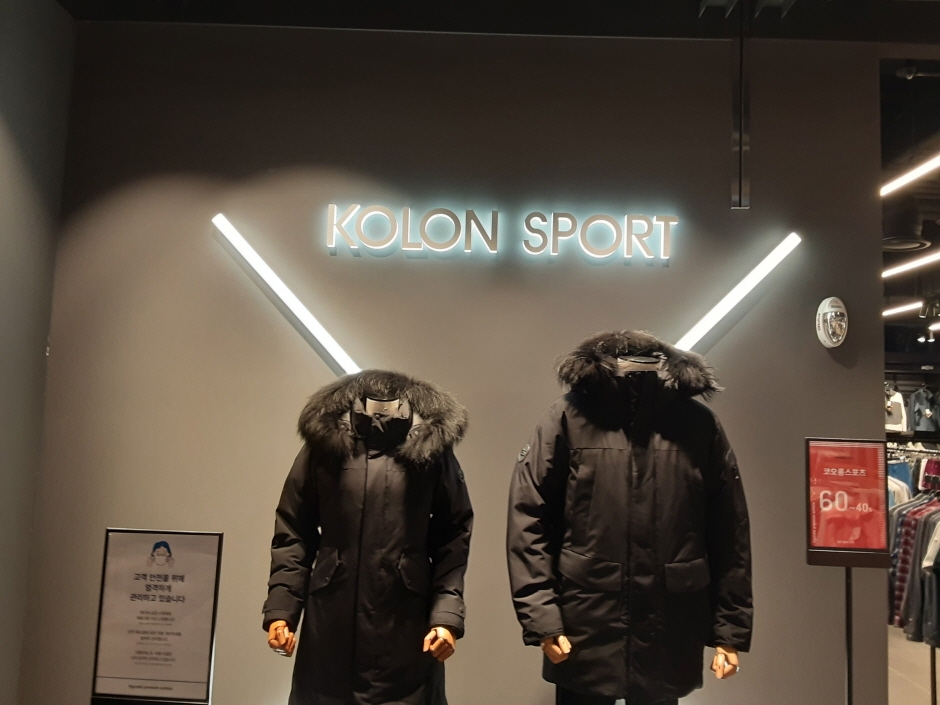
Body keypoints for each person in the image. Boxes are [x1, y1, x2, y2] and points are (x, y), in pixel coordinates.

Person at [507, 331, 753, 705]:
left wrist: (729, 628)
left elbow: (729, 529)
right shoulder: (569, 417)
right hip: (586, 622)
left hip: (669, 624)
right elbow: (529, 519)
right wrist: (542, 617)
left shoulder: (698, 424)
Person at [263, 370, 473, 705]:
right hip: (329, 628)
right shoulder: (326, 444)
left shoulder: (430, 448)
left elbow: (454, 535)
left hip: (405, 631)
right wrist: (282, 610)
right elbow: (294, 530)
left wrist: (446, 616)